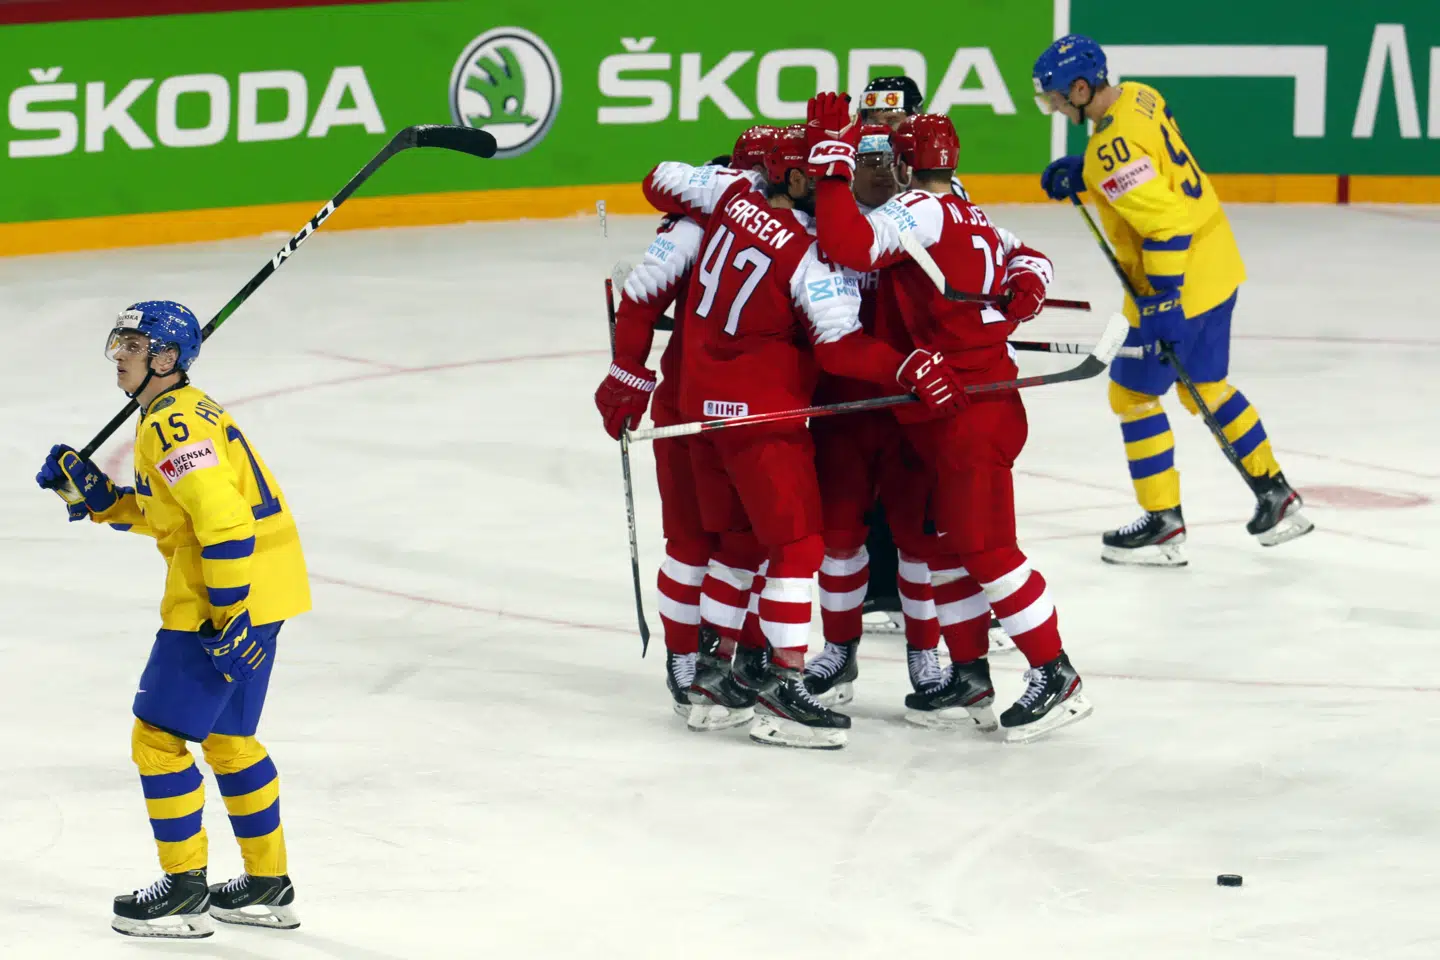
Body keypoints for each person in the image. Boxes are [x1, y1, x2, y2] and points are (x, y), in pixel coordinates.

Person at [640, 126, 965, 748]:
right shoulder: (810, 255)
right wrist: (905, 366)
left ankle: (713, 680)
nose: (829, 188)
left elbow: (661, 178)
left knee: (739, 549)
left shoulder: (733, 199)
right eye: (819, 175)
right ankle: (783, 693)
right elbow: (840, 349)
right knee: (796, 548)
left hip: (705, 416)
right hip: (765, 420)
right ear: (793, 179)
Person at [807, 95, 1093, 741]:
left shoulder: (922, 209)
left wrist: (827, 164)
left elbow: (846, 243)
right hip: (946, 409)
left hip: (970, 411)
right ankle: (969, 670)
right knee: (944, 547)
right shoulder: (966, 209)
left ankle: (1055, 671)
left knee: (987, 549)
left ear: (906, 165)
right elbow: (1026, 255)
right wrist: (1028, 278)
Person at [36, 302, 308, 938]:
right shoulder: (183, 411)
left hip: (220, 598)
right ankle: (267, 884)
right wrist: (103, 502)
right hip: (267, 587)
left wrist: (229, 615)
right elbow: (177, 514)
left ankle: (184, 892)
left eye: (134, 345)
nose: (120, 355)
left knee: (156, 739)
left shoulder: (171, 427)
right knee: (229, 740)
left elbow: (224, 521)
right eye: (120, 342)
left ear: (165, 358)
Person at [1033, 35, 1313, 566]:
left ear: (1080, 86)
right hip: (1216, 265)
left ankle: (1162, 522)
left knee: (1131, 396)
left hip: (1176, 283)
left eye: (1054, 95)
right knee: (1207, 386)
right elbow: (1150, 163)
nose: (1050, 104)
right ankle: (1276, 494)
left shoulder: (1107, 156)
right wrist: (1092, 175)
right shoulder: (1139, 95)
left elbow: (1163, 223)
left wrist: (1163, 302)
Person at [594, 127, 778, 732]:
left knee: (753, 541)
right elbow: (643, 298)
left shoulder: (787, 218)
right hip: (690, 406)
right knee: (697, 540)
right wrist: (628, 374)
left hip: (759, 404)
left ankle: (736, 653)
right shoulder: (697, 222)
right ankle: (686, 656)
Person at [803, 125, 946, 707]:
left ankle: (925, 651)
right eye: (869, 159)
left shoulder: (921, 215)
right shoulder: (820, 225)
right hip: (841, 407)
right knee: (839, 540)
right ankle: (839, 652)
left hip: (908, 412)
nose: (883, 169)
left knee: (916, 541)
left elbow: (991, 259)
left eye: (891, 158)